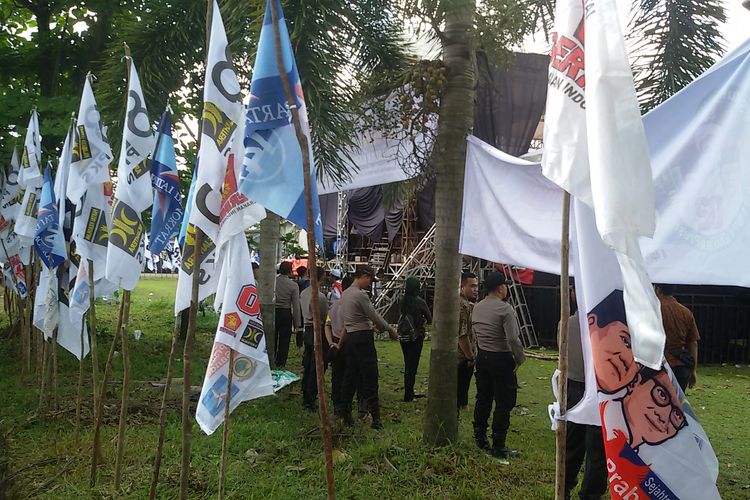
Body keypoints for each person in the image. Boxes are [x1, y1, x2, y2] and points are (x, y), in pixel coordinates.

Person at [471, 272, 525, 458]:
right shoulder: (505, 309)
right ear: (501, 288)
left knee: (483, 397)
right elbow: (513, 339)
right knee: (504, 402)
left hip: (482, 357)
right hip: (501, 359)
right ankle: (499, 445)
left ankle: (480, 438)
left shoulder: (477, 307)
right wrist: (519, 358)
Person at [337, 265, 397, 429]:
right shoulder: (360, 294)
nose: (370, 283)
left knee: (350, 376)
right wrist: (389, 329)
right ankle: (375, 418)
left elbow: (356, 318)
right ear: (363, 276)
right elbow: (374, 315)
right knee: (370, 376)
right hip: (363, 339)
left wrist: (372, 325)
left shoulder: (346, 294)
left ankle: (345, 413)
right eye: (370, 279)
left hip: (351, 338)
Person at [561, 288, 607, 500]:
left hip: (574, 387)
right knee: (597, 449)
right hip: (597, 391)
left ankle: (564, 487)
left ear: (572, 295)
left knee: (572, 442)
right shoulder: (605, 326)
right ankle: (590, 494)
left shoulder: (565, 324)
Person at [655, 284, 700, 391]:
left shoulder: (654, 310)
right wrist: (693, 370)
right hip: (681, 364)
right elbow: (693, 343)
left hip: (659, 363)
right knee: (678, 402)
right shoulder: (686, 312)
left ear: (658, 290)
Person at [300, 266, 330, 411]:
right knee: (317, 365)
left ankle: (306, 393)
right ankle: (311, 397)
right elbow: (324, 316)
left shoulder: (304, 293)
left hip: (307, 329)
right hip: (317, 330)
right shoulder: (319, 296)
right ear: (322, 277)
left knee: (308, 363)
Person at [397, 277, 432, 402]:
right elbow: (430, 318)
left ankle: (408, 391)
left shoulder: (402, 301)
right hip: (416, 336)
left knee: (408, 363)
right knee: (413, 365)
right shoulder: (420, 302)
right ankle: (409, 393)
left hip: (404, 336)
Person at [457, 272, 479, 411]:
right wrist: (470, 355)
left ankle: (462, 404)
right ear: (462, 287)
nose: (476, 289)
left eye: (477, 286)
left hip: (462, 354)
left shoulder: (465, 304)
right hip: (461, 356)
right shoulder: (462, 305)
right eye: (472, 286)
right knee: (461, 385)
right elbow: (462, 335)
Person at [275, 261, 301, 369]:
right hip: (286, 313)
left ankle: (271, 359)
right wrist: (297, 324)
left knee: (272, 337)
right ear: (290, 271)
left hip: (273, 312)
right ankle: (281, 363)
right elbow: (295, 306)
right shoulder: (293, 285)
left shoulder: (273, 281)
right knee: (284, 340)